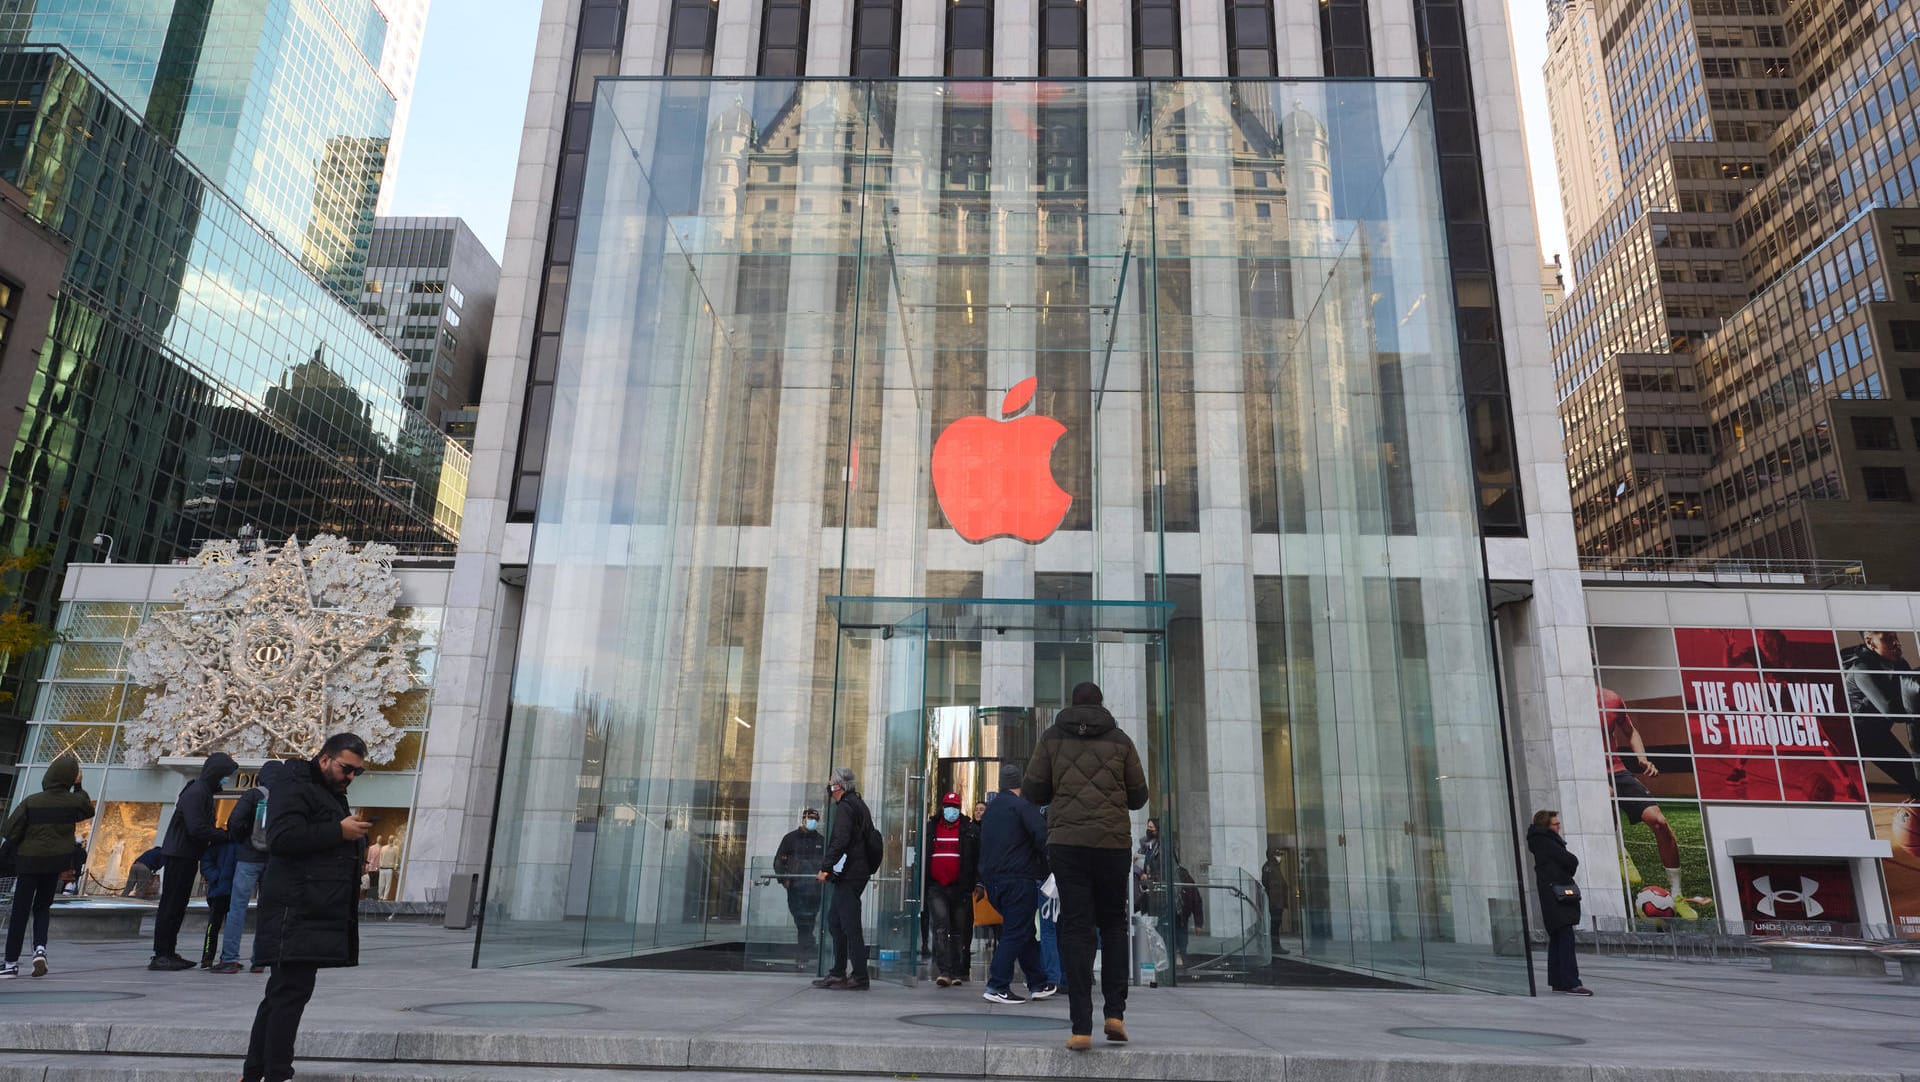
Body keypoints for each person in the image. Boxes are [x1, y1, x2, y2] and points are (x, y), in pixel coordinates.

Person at [1024, 682, 1148, 1052]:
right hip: (1112, 845)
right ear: (1101, 704)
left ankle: (1080, 1027)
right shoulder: (1121, 741)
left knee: (1076, 927)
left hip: (1067, 844)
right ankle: (1115, 1014)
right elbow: (1140, 796)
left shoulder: (1051, 738)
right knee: (1112, 924)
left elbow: (1032, 791)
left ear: (1072, 704)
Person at [245, 733, 372, 1082]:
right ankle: (276, 1074)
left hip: (308, 908)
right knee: (288, 996)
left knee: (283, 995)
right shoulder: (295, 785)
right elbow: (282, 839)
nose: (350, 777)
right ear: (324, 759)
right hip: (294, 909)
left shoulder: (329, 793)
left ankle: (256, 1073)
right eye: (347, 768)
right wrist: (338, 832)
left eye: (356, 773)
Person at [1596, 685, 1697, 918]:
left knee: (1659, 822)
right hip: (1587, 771)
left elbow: (1630, 731)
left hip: (1616, 769)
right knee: (1608, 795)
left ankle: (1678, 894)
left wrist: (1641, 759)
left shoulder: (1612, 699)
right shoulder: (1566, 699)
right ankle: (1619, 851)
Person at [0, 754, 93, 979]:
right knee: (42, 907)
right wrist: (78, 785)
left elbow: (10, 830)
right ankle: (40, 949)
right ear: (70, 778)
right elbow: (87, 809)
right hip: (55, 862)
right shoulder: (73, 802)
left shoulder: (32, 801)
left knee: (20, 911)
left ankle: (10, 962)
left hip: (29, 861)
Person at [151, 751, 237, 970]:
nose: (226, 780)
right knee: (172, 905)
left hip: (186, 853)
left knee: (178, 905)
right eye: (225, 775)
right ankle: (162, 953)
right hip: (181, 854)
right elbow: (197, 827)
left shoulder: (202, 791)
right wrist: (223, 835)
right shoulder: (197, 792)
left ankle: (168, 950)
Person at [977, 763, 1055, 1004]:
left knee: (1023, 931)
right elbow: (1042, 836)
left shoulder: (990, 811)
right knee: (1015, 932)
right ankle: (997, 985)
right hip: (1018, 879)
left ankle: (1038, 982)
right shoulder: (1022, 807)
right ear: (1020, 784)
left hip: (994, 882)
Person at [214, 760, 287, 974]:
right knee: (268, 912)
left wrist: (243, 840)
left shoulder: (252, 795)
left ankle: (230, 959)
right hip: (273, 861)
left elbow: (234, 821)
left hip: (248, 858)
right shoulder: (284, 798)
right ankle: (260, 960)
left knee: (237, 908)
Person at [811, 766, 874, 991]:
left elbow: (840, 840)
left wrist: (825, 868)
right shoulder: (857, 805)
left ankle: (859, 976)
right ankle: (838, 972)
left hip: (851, 873)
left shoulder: (847, 807)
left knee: (849, 925)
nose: (829, 786)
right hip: (854, 871)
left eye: (831, 782)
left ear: (838, 785)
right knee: (835, 922)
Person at [1843, 631, 1920, 803]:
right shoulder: (1862, 669)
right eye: (1887, 639)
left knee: (1917, 785)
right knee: (1854, 799)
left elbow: (1910, 708)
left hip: (1876, 736)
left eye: (1896, 638)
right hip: (1852, 740)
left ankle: (1912, 821)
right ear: (1870, 643)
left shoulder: (1900, 665)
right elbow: (1892, 710)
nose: (1895, 643)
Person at [1527, 809, 1590, 996]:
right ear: (1547, 826)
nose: (1558, 827)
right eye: (1556, 824)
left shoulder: (1539, 842)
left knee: (1557, 937)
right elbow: (1570, 860)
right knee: (1565, 938)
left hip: (1551, 895)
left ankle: (1558, 980)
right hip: (1557, 896)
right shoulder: (1547, 842)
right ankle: (1571, 982)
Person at [924, 791, 979, 987]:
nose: (952, 811)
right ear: (942, 806)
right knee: (941, 927)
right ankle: (945, 971)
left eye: (955, 807)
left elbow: (975, 858)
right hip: (937, 886)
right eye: (949, 806)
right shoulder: (932, 828)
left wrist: (975, 883)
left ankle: (957, 970)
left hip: (960, 887)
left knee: (959, 930)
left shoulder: (968, 829)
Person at [772, 807, 824, 965]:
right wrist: (784, 879)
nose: (812, 821)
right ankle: (806, 947)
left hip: (815, 888)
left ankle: (804, 951)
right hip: (796, 887)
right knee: (801, 920)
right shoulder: (790, 839)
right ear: (803, 819)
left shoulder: (821, 840)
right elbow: (779, 861)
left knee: (810, 919)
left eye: (815, 819)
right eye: (810, 818)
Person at [199, 835, 239, 968]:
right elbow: (206, 862)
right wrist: (216, 877)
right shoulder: (220, 844)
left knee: (226, 926)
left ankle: (226, 957)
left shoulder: (233, 843)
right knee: (214, 925)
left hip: (227, 890)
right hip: (220, 891)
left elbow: (206, 863)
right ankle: (208, 956)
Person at [1260, 848, 1290, 954]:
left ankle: (1276, 946)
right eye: (1277, 855)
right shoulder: (1269, 867)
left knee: (1276, 924)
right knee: (1275, 925)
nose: (1279, 857)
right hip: (1274, 902)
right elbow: (1266, 882)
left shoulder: (1275, 867)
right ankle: (1275, 946)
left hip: (1278, 901)